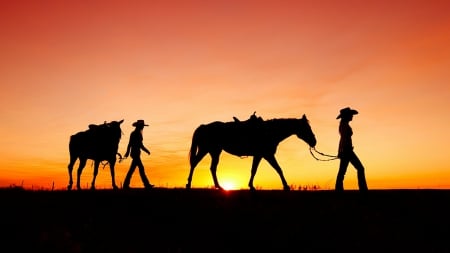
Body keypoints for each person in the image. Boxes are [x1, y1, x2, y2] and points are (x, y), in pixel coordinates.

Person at [335, 107, 368, 193]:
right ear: (346, 116)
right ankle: (363, 190)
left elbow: (342, 139)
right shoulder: (344, 125)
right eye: (351, 115)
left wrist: (340, 151)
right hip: (347, 151)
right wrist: (342, 150)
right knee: (360, 168)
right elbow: (343, 139)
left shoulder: (343, 125)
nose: (352, 116)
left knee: (342, 171)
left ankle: (339, 190)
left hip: (346, 150)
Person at [123, 120, 154, 189]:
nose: (143, 127)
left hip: (135, 153)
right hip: (135, 154)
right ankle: (147, 185)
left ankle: (126, 185)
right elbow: (138, 145)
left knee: (133, 170)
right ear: (139, 126)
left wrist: (128, 152)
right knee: (140, 169)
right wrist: (146, 150)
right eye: (142, 126)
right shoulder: (136, 134)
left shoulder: (134, 133)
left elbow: (130, 144)